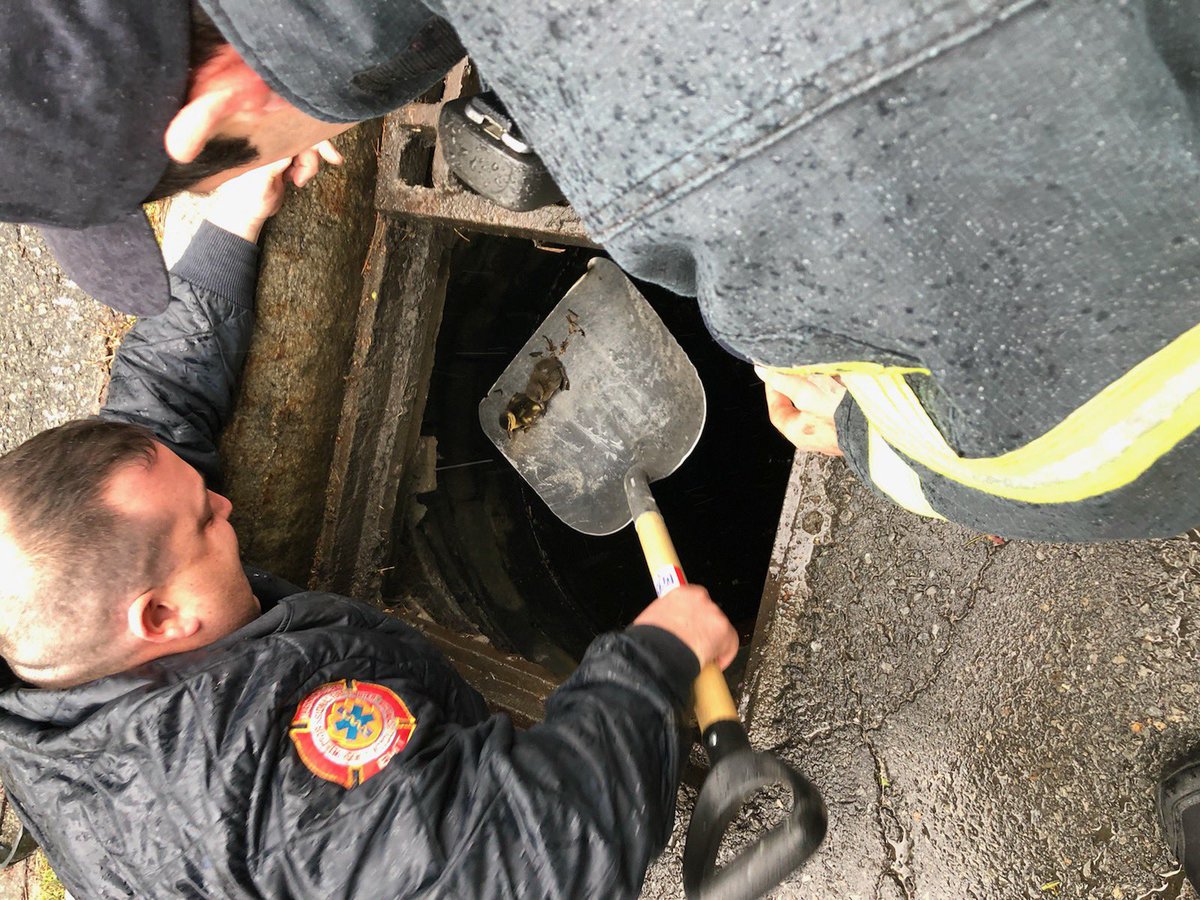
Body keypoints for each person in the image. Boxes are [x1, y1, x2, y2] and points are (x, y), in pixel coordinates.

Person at [3, 0, 1198, 543]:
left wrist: (863, 435)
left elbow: (1082, 448)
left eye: (215, 165)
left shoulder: (683, 153)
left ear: (220, 100)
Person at [0, 160, 739, 898]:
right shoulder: (259, 796)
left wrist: (231, 222)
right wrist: (655, 662)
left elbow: (155, 409)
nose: (225, 506)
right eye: (204, 521)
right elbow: (529, 860)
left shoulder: (49, 641)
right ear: (160, 616)